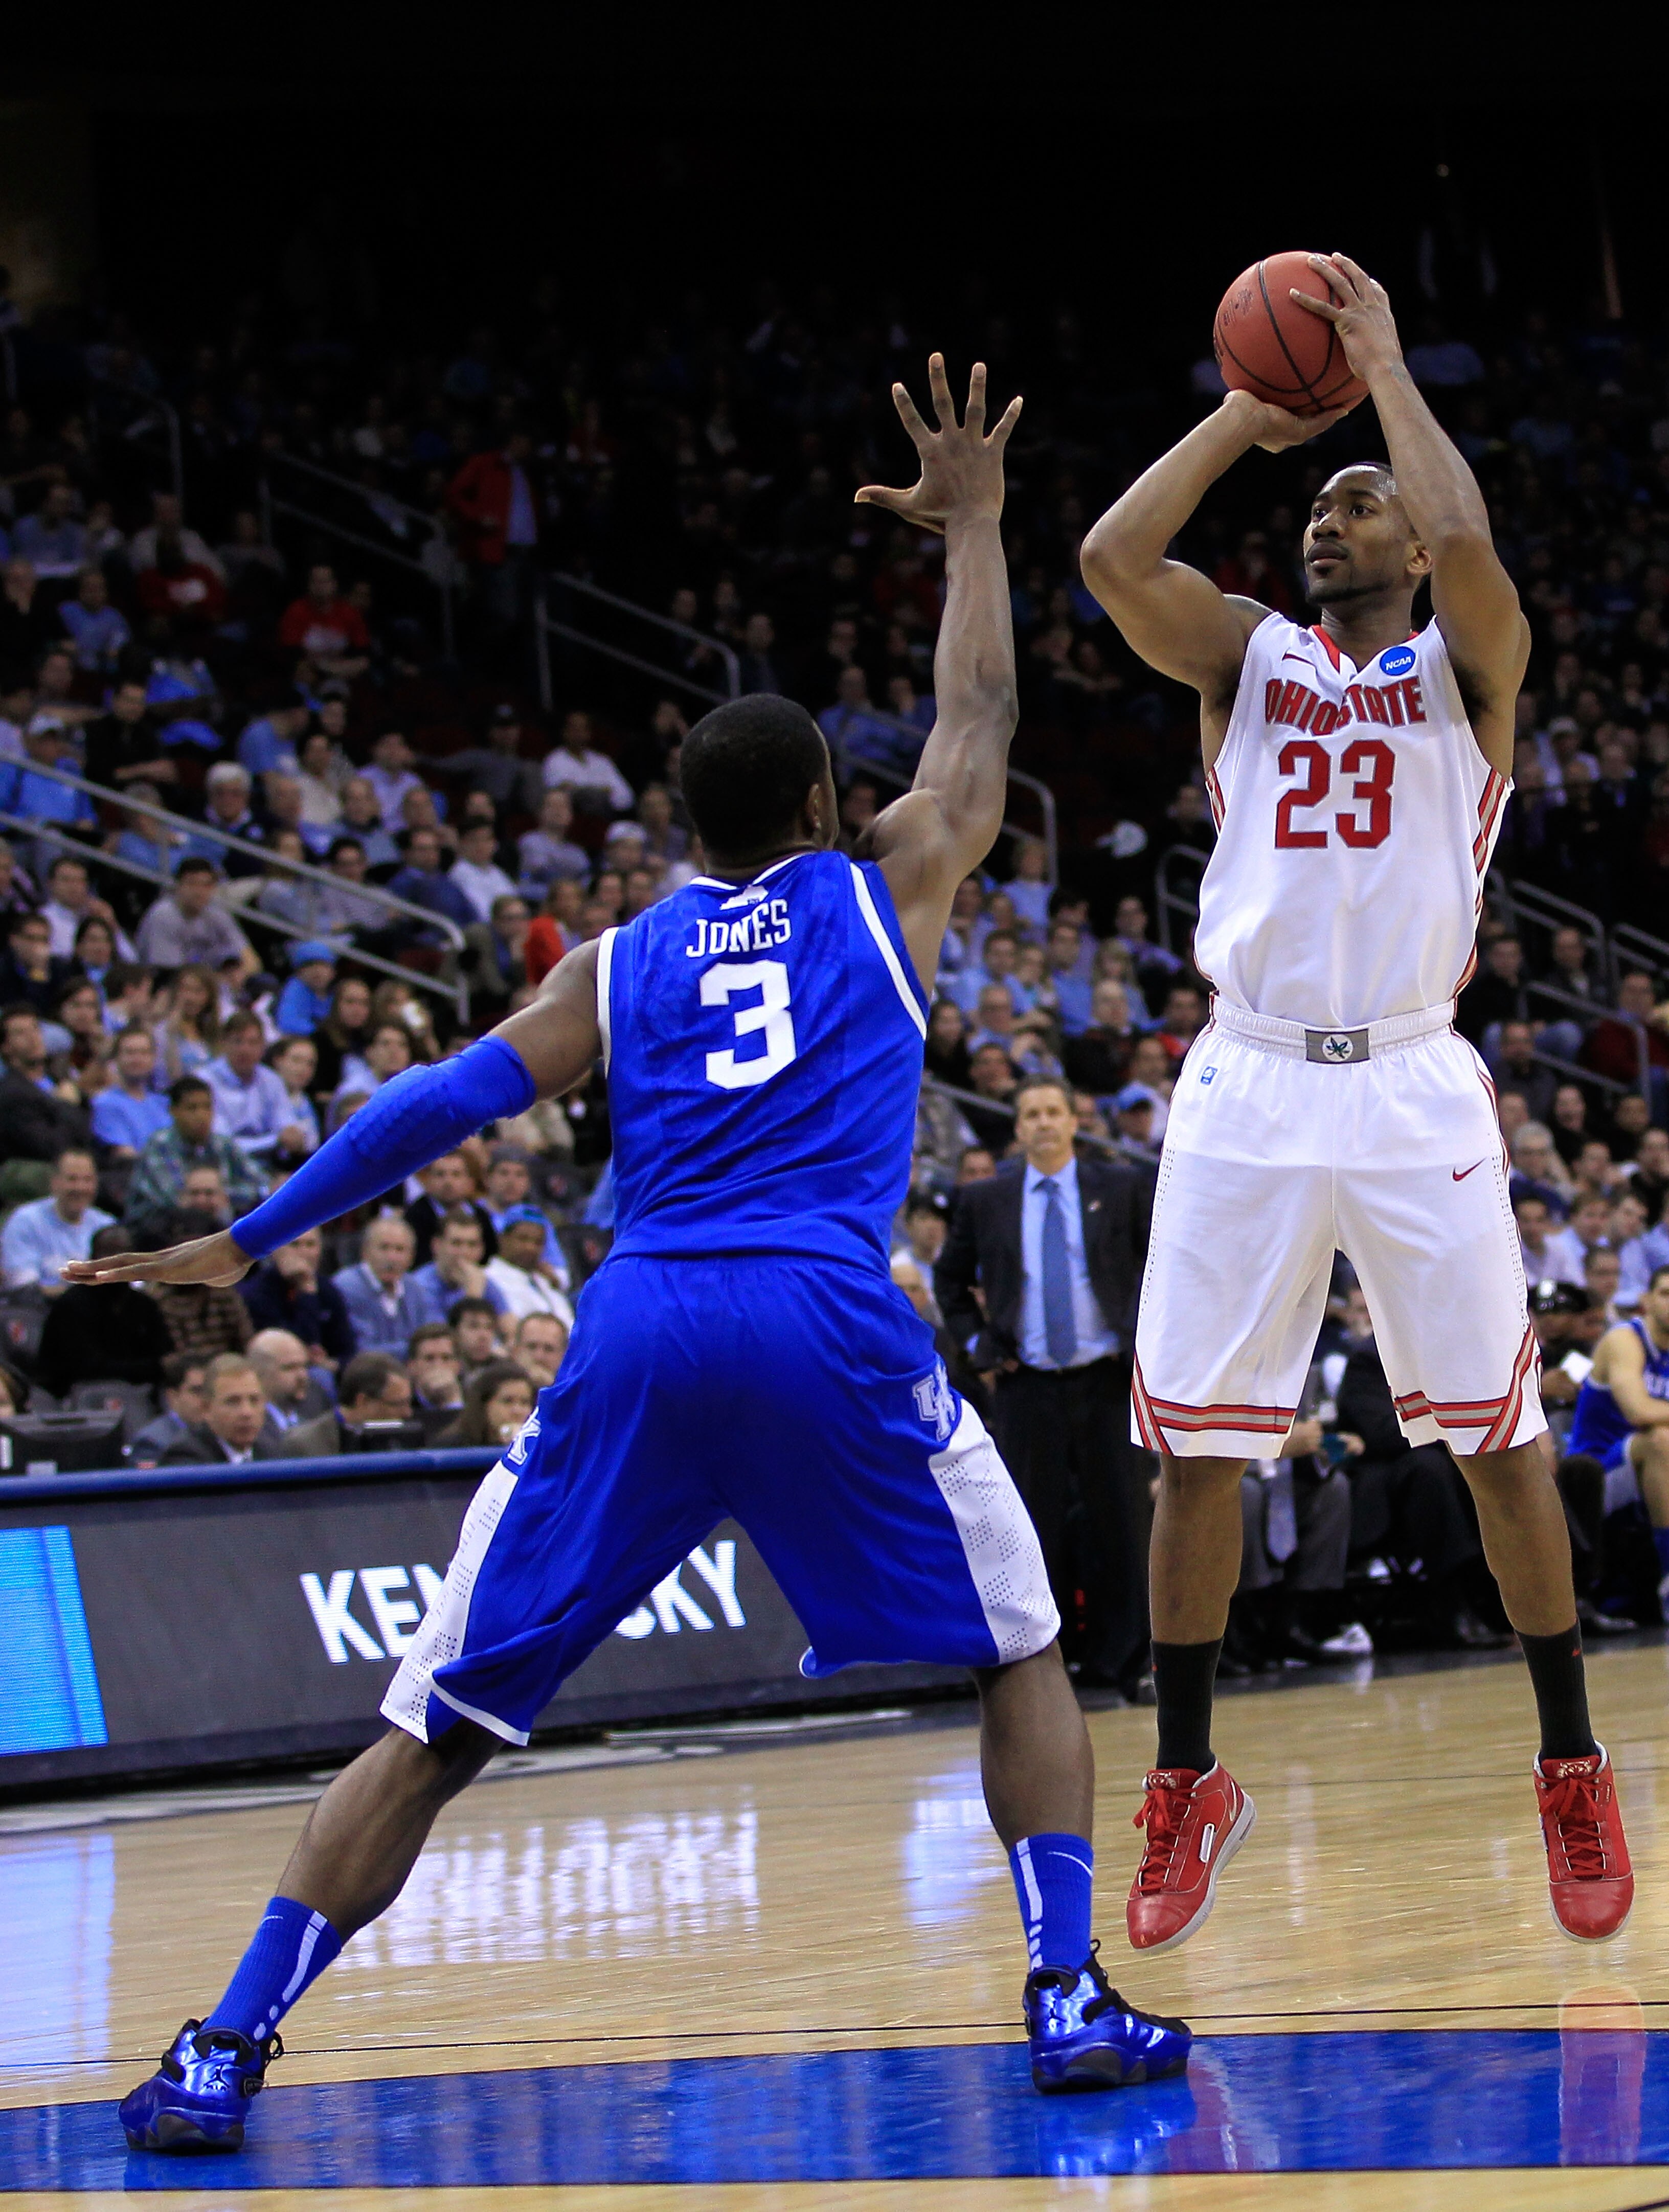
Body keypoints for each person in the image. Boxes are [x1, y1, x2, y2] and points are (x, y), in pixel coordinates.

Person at [82, 364, 1185, 2157]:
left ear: (687, 828)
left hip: (643, 1320)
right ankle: (1064, 1993)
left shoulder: (608, 963)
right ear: (828, 803)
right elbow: (976, 713)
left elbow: (435, 1098)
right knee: (1023, 1650)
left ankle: (223, 2039)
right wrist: (975, 521)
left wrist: (256, 1226)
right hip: (827, 1315)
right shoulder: (883, 885)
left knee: (435, 1718)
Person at [1079, 252, 1630, 1948]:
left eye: (1356, 501)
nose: (1329, 516)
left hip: (1406, 1077)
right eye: (1315, 505)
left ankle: (1568, 1754)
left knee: (1499, 1441)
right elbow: (1110, 560)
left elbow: (1468, 551)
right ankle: (1185, 1778)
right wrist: (1248, 413)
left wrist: (1383, 374)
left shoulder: (1468, 673)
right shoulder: (1248, 659)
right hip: (1244, 1071)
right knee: (1194, 1460)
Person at [935, 1076, 1154, 1696]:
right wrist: (978, 1344)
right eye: (1031, 1114)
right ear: (1018, 1128)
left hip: (1107, 1381)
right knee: (1033, 1530)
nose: (1044, 1123)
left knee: (1122, 1527)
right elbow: (950, 1281)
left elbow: (1156, 1267)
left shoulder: (1121, 1187)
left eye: (1054, 1111)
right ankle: (1048, 1668)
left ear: (1074, 1120)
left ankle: (1127, 1663)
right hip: (1028, 1386)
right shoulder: (987, 1200)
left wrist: (1142, 1339)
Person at [1567, 1267, 1669, 1605]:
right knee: (1660, 1440)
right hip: (1596, 1475)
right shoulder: (1625, 1340)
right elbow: (1639, 1412)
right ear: (1647, 1301)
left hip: (1652, 1476)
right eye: (1666, 1295)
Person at [35, 1223, 174, 1397]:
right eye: (109, 1254)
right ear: (93, 1258)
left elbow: (165, 1354)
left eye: (124, 1255)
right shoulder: (72, 1305)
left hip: (142, 1394)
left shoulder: (144, 1305)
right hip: (75, 1397)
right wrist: (154, 1367)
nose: (116, 1263)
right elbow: (85, 1368)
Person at [126, 1077, 266, 1238]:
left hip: (214, 1225)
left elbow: (261, 1184)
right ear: (174, 1111)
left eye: (207, 1107)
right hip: (158, 1231)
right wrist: (217, 1196)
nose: (202, 1116)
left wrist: (223, 1195)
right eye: (192, 1108)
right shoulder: (160, 1145)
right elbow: (180, 1199)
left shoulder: (222, 1144)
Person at [204, 1011, 311, 1167]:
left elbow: (287, 1126)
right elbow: (223, 1144)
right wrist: (276, 1140)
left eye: (253, 1043)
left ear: (263, 1047)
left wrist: (292, 1135)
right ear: (224, 1043)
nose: (245, 1050)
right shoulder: (206, 1081)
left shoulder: (272, 1080)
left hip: (269, 1165)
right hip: (223, 1165)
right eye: (238, 1042)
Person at [1, 1145, 114, 1290]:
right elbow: (23, 1287)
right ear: (55, 1182)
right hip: (38, 1310)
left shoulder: (107, 1226)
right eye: (72, 1179)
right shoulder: (25, 1222)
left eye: (88, 1180)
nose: (80, 1188)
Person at [238, 1230, 354, 1367]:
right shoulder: (255, 1293)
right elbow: (296, 1345)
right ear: (275, 1250)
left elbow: (348, 1349)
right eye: (294, 1244)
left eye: (311, 1245)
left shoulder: (328, 1289)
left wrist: (333, 1364)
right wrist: (307, 1290)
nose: (303, 1252)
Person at [160, 1353, 288, 1465]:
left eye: (254, 1400)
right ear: (207, 1409)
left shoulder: (274, 1451)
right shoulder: (185, 1456)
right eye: (233, 1402)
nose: (246, 1413)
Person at [134, 857, 255, 975]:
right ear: (178, 886)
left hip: (205, 982)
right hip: (162, 984)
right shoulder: (164, 915)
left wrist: (237, 977)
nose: (199, 892)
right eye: (192, 884)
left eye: (206, 885)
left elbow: (252, 961)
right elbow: (167, 973)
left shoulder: (215, 913)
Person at [284, 1351, 416, 1458]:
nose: (408, 1413)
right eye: (399, 1404)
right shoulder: (306, 1446)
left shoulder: (403, 1441)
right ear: (363, 1401)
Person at [330, 1216, 426, 1356]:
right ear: (365, 1252)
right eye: (384, 1248)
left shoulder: (414, 1288)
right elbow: (362, 1349)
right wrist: (414, 1351)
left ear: (412, 1257)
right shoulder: (347, 1286)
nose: (392, 1257)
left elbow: (427, 1338)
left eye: (400, 1250)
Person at [411, 1206, 507, 1327]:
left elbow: (509, 1325)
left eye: (472, 1245)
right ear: (437, 1246)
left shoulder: (483, 1281)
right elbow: (443, 1339)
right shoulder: (420, 1287)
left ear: (482, 1250)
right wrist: (473, 1297)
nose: (464, 1253)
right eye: (457, 1244)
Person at [482, 1205, 574, 1326]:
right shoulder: (489, 1275)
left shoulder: (544, 1281)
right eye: (523, 1239)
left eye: (538, 1242)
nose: (530, 1248)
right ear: (503, 1239)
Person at [91, 1027, 171, 1159]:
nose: (138, 1059)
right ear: (117, 1058)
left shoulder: (163, 1103)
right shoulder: (106, 1103)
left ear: (154, 1058)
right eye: (130, 1053)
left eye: (144, 1053)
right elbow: (125, 1155)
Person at [247, 1328, 334, 1437]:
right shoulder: (248, 1424)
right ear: (259, 1374)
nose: (302, 1376)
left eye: (304, 1366)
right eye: (290, 1368)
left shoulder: (317, 1400)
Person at [437, 1358, 536, 1449]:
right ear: (485, 1404)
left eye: (524, 1403)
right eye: (508, 1401)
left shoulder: (538, 1446)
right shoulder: (452, 1446)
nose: (517, 1411)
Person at [130, 1351, 209, 1464]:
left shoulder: (222, 1436)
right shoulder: (152, 1443)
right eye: (197, 1391)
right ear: (173, 1396)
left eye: (210, 1392)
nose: (205, 1400)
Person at [407, 1321, 465, 1442]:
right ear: (412, 1366)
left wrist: (453, 1403)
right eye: (429, 1359)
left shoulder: (474, 1402)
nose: (438, 1366)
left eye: (446, 1358)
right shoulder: (403, 1406)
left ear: (458, 1366)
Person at [509, 1309, 568, 1389]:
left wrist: (552, 1389)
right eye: (532, 1347)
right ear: (516, 1350)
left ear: (563, 1355)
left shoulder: (573, 1394)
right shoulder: (495, 1388)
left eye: (549, 1349)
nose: (539, 1357)